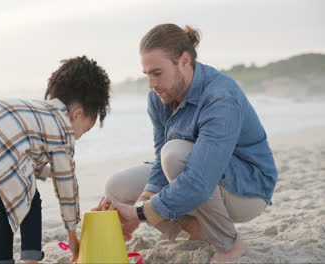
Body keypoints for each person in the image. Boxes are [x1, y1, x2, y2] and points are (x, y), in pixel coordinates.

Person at [95, 24, 277, 263]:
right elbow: (160, 159)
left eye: (157, 73)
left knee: (176, 155)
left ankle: (229, 245)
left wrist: (139, 213)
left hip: (248, 191)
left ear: (184, 60)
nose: (151, 83)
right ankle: (196, 229)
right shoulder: (159, 97)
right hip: (201, 178)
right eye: (147, 74)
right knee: (117, 187)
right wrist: (138, 205)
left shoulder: (219, 97)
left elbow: (200, 181)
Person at [0, 56, 111, 264]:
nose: (79, 136)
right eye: (85, 129)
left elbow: (19, 153)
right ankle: (31, 261)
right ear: (76, 115)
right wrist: (72, 237)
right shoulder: (63, 131)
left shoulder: (38, 113)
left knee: (6, 205)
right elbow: (67, 188)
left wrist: (43, 173)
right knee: (31, 200)